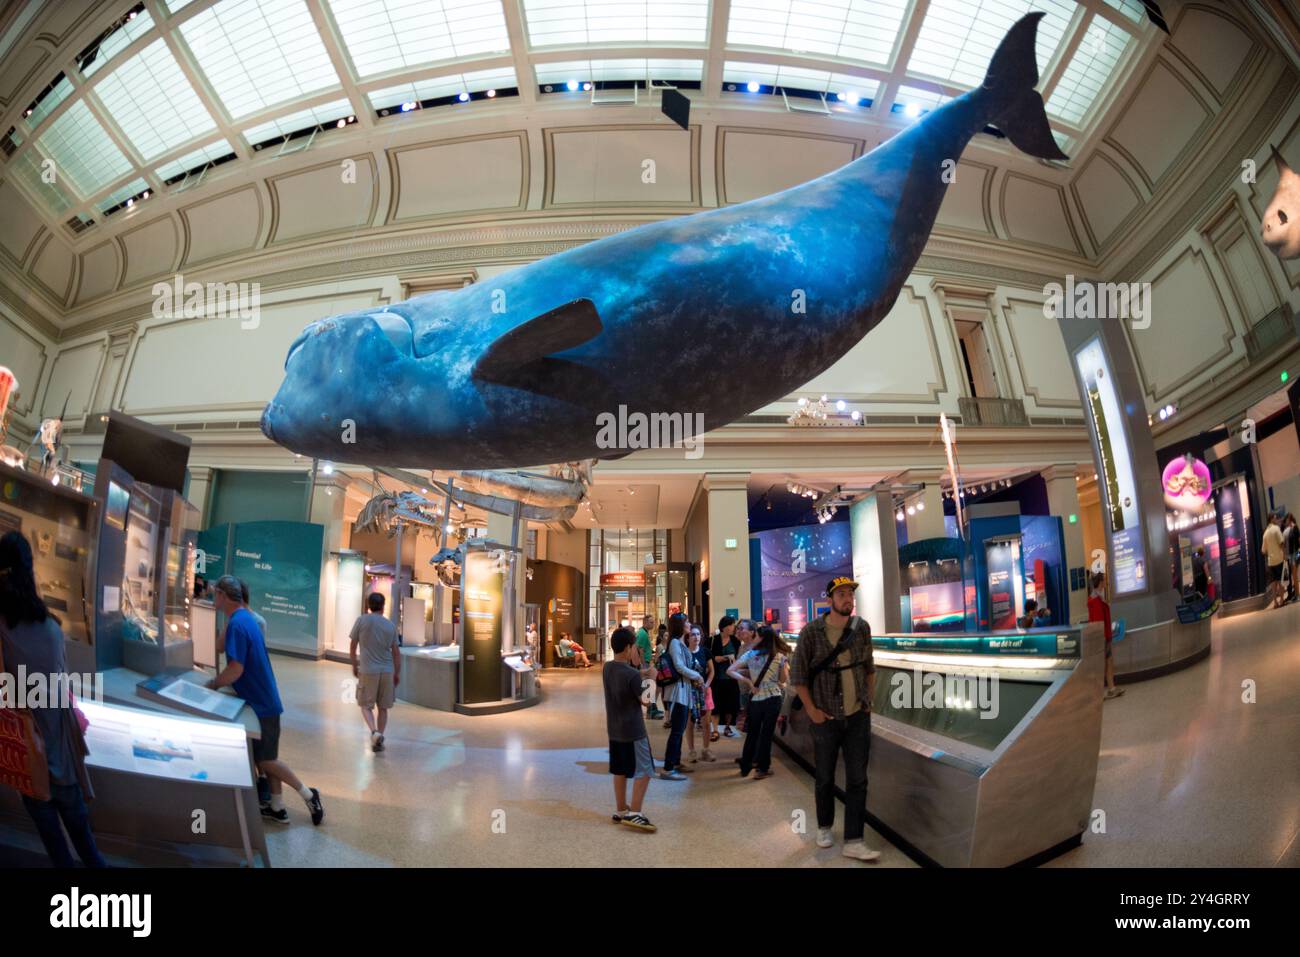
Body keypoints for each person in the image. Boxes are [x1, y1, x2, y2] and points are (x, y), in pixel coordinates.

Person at [0, 531, 106, 868]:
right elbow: (59, 689)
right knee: (85, 842)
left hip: (24, 751)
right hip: (59, 749)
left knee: (54, 843)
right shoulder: (50, 629)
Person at [207, 575, 324, 825]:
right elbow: (221, 649)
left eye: (215, 593)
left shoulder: (239, 624)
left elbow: (236, 670)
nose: (212, 597)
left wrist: (214, 684)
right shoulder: (243, 619)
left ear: (223, 595)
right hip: (263, 700)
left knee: (266, 760)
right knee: (268, 756)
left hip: (261, 703)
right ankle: (277, 807)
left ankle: (307, 793)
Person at [790, 576, 880, 862]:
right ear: (830, 599)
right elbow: (798, 677)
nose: (847, 599)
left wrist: (868, 700)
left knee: (858, 779)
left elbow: (869, 668)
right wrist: (813, 711)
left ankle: (854, 839)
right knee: (825, 776)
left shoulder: (861, 628)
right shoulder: (811, 632)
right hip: (825, 717)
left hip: (857, 717)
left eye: (850, 595)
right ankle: (824, 826)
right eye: (841, 594)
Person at [603, 627, 657, 831]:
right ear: (628, 648)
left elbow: (626, 677)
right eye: (634, 647)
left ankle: (621, 809)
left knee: (620, 769)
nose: (636, 650)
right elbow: (648, 702)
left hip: (614, 730)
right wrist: (651, 677)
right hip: (633, 731)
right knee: (645, 770)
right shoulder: (632, 675)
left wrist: (640, 673)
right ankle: (635, 812)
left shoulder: (608, 668)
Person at [730, 624, 790, 780]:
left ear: (762, 638)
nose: (754, 638)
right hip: (773, 698)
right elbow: (783, 681)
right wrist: (783, 666)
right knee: (766, 734)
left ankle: (746, 766)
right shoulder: (778, 656)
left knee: (753, 733)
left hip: (756, 698)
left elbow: (730, 670)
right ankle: (762, 768)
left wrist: (749, 682)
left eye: (756, 636)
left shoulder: (750, 654)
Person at [349, 592, 401, 753]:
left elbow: (352, 646)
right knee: (383, 707)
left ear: (368, 605)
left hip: (368, 670)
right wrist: (396, 673)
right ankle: (379, 737)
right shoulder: (390, 626)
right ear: (383, 606)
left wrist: (354, 665)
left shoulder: (361, 620)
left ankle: (374, 732)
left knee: (365, 705)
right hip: (386, 670)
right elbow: (396, 653)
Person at [659, 612, 702, 780]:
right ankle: (668, 768)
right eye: (687, 621)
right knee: (677, 731)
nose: (690, 624)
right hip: (678, 692)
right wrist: (696, 676)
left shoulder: (679, 642)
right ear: (680, 625)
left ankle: (675, 762)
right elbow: (679, 666)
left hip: (683, 691)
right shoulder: (676, 643)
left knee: (680, 728)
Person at [1088, 571, 1124, 700]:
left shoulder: (1097, 598)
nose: (1105, 582)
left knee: (1108, 661)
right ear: (1100, 582)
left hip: (1104, 635)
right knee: (1104, 663)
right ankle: (1104, 690)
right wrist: (1103, 636)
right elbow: (1098, 622)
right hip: (1102, 637)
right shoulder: (1096, 601)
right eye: (1103, 580)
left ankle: (1111, 688)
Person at [685, 625, 716, 764]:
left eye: (698, 634)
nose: (696, 637)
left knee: (706, 722)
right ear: (688, 637)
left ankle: (706, 749)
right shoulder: (684, 653)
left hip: (704, 690)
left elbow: (711, 671)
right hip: (689, 691)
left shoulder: (705, 652)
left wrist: (707, 685)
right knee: (690, 722)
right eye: (693, 634)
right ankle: (691, 751)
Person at [709, 616, 741, 739]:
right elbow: (709, 656)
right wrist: (721, 658)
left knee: (730, 705)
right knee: (715, 704)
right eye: (732, 625)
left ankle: (727, 727)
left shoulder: (736, 641)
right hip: (716, 677)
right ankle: (715, 730)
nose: (734, 628)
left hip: (731, 678)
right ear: (725, 627)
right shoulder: (713, 640)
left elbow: (739, 658)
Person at [635, 615, 661, 719]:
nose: (653, 624)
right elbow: (640, 650)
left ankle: (652, 707)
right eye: (651, 622)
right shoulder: (642, 634)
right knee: (649, 686)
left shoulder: (644, 633)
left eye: (653, 622)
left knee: (650, 685)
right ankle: (651, 709)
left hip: (646, 661)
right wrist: (642, 665)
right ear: (645, 622)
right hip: (644, 662)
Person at [1261, 511, 1287, 609]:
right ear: (1271, 519)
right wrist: (1284, 555)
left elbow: (1263, 550)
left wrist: (1270, 552)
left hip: (1271, 561)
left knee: (1273, 582)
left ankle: (1275, 602)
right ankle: (1282, 600)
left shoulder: (1265, 534)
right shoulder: (1276, 529)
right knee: (1280, 581)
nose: (1276, 520)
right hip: (1279, 559)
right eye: (1275, 518)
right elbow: (1281, 543)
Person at [1284, 514, 1299, 603]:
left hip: (1295, 555)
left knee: (1295, 577)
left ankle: (1298, 595)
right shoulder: (1290, 529)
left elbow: (1298, 542)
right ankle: (1296, 594)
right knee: (1294, 577)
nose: (1285, 522)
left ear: (1289, 519)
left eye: (1286, 520)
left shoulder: (1295, 528)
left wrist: (1297, 557)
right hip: (1292, 555)